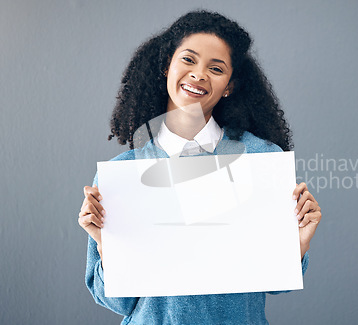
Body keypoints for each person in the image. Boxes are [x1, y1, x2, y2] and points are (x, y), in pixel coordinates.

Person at [78, 10, 322, 324]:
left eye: (216, 68)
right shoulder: (122, 174)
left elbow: (275, 285)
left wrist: (297, 245)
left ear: (230, 86)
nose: (199, 74)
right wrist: (105, 241)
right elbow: (118, 303)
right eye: (189, 60)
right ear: (167, 66)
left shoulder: (260, 159)